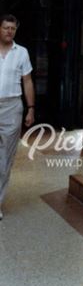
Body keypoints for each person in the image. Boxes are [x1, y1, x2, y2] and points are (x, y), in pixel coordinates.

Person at [0, 13, 35, 219]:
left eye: (12, 28)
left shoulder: (21, 52)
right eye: (6, 27)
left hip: (13, 106)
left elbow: (27, 81)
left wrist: (30, 108)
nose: (9, 31)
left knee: (6, 158)